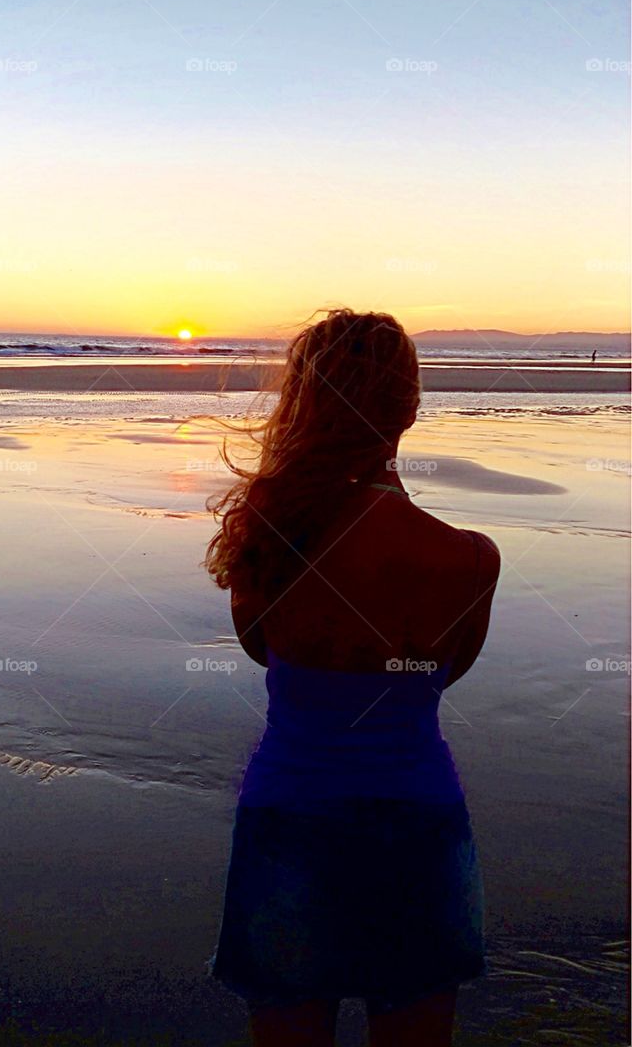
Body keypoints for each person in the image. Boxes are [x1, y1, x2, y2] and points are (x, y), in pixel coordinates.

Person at [205, 309, 501, 1047]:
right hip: (418, 820)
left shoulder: (268, 541)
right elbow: (442, 675)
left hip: (290, 815)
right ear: (410, 407)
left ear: (303, 401)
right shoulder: (469, 559)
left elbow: (259, 650)